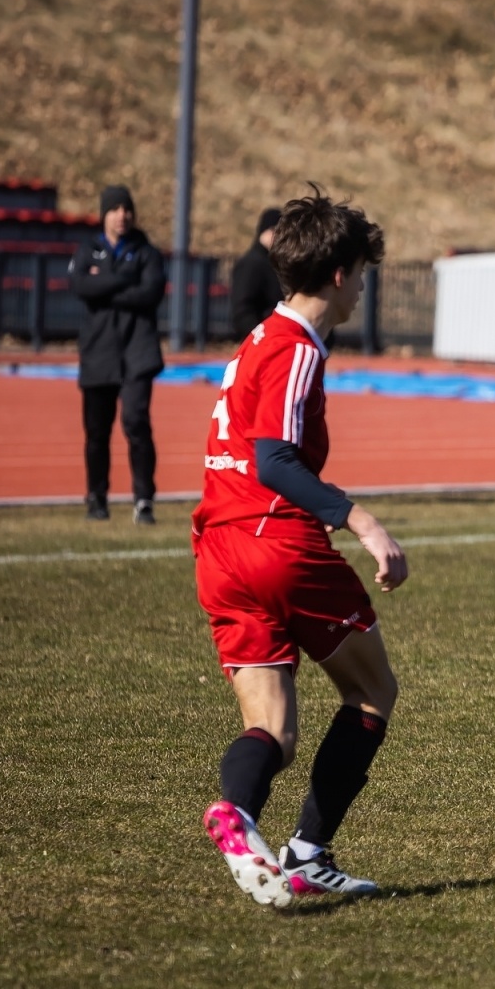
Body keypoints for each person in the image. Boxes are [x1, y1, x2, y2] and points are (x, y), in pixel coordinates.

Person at [193, 188, 408, 906]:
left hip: (221, 550)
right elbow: (275, 461)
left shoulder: (259, 337)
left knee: (274, 732)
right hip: (273, 541)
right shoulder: (293, 348)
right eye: (364, 272)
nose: (363, 287)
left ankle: (236, 816)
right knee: (373, 690)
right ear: (342, 273)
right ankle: (310, 853)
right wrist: (362, 522)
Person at [68, 185, 166, 523]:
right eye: (114, 209)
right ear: (104, 214)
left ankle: (144, 501)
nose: (121, 215)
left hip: (137, 350)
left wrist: (106, 286)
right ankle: (97, 498)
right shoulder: (88, 250)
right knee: (97, 430)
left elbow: (150, 293)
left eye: (126, 209)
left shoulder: (147, 253)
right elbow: (81, 287)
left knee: (136, 423)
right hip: (98, 352)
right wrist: (124, 280)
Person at [229, 207, 285, 341]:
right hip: (262, 340)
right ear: (263, 231)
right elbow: (242, 310)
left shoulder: (274, 262)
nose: (278, 237)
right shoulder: (251, 264)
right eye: (274, 231)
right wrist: (260, 337)